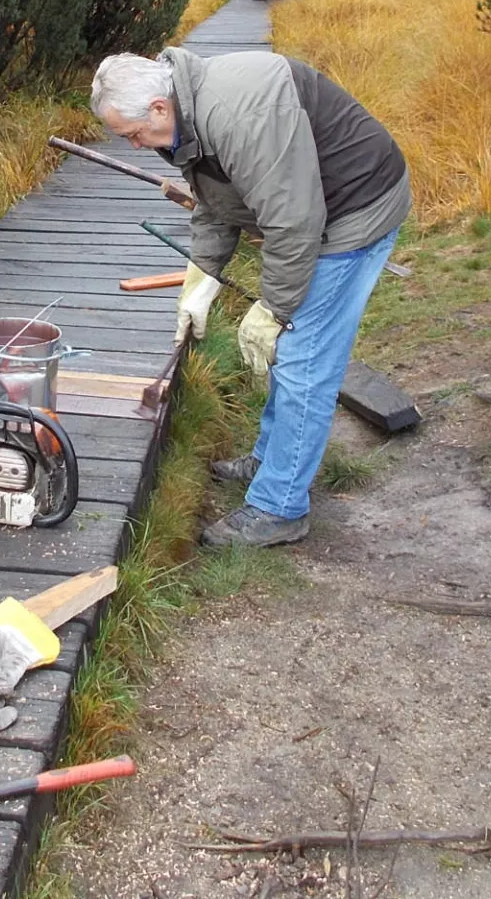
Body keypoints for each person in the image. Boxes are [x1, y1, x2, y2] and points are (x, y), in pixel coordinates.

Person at [90, 46, 410, 548]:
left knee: (303, 357)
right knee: (292, 350)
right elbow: (219, 199)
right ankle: (273, 456)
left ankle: (280, 507)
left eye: (132, 135)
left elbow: (295, 222)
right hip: (315, 208)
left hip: (354, 207)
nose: (133, 146)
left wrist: (274, 310)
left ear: (157, 106)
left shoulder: (240, 114)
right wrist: (203, 276)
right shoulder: (185, 113)